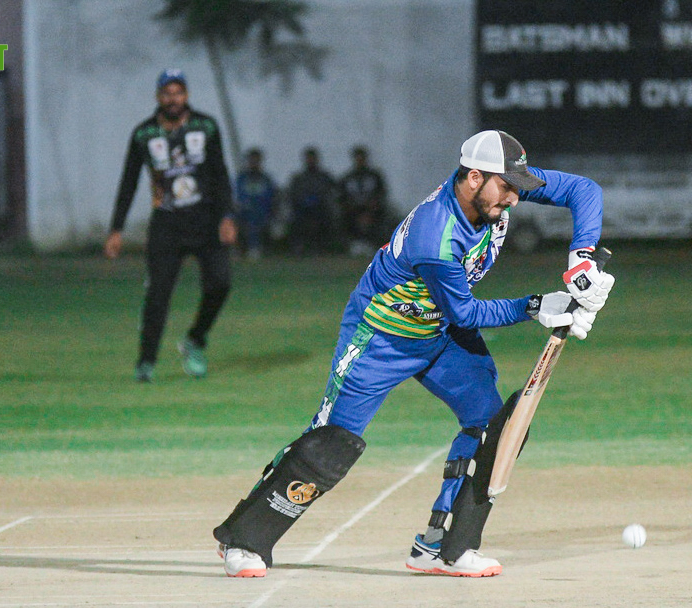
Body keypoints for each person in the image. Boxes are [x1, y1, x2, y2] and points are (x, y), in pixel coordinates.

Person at [212, 130, 615, 578]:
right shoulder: (436, 233)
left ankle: (444, 546)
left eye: (519, 188)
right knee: (331, 443)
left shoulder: (495, 189)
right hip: (379, 339)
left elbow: (583, 190)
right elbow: (464, 312)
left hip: (438, 334)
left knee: (494, 428)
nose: (515, 199)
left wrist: (581, 259)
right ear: (474, 177)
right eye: (507, 187)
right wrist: (536, 306)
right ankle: (243, 539)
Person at [105, 69, 237, 382]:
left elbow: (220, 174)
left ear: (186, 95)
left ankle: (195, 340)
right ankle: (146, 362)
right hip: (167, 225)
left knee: (220, 284)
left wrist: (227, 216)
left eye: (178, 93)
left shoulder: (205, 126)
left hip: (205, 222)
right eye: (167, 93)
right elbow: (128, 182)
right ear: (158, 96)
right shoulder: (144, 133)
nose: (172, 99)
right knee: (158, 295)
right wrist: (116, 229)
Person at [286, 147, 337, 254]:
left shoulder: (324, 177)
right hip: (302, 210)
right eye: (309, 158)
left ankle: (323, 247)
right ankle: (298, 246)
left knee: (326, 218)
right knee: (296, 220)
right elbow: (293, 195)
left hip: (321, 209)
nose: (311, 161)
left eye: (312, 158)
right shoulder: (298, 178)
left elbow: (332, 193)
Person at [339, 145, 388, 256]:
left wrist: (371, 208)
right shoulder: (348, 177)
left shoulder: (375, 176)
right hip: (353, 212)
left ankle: (373, 244)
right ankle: (354, 243)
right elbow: (342, 198)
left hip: (372, 211)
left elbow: (381, 194)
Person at [235, 148, 276, 260]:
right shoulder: (242, 178)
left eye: (256, 160)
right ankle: (242, 248)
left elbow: (270, 197)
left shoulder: (266, 179)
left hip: (262, 211)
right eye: (252, 160)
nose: (254, 162)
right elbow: (239, 195)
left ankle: (254, 247)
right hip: (244, 211)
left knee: (256, 218)